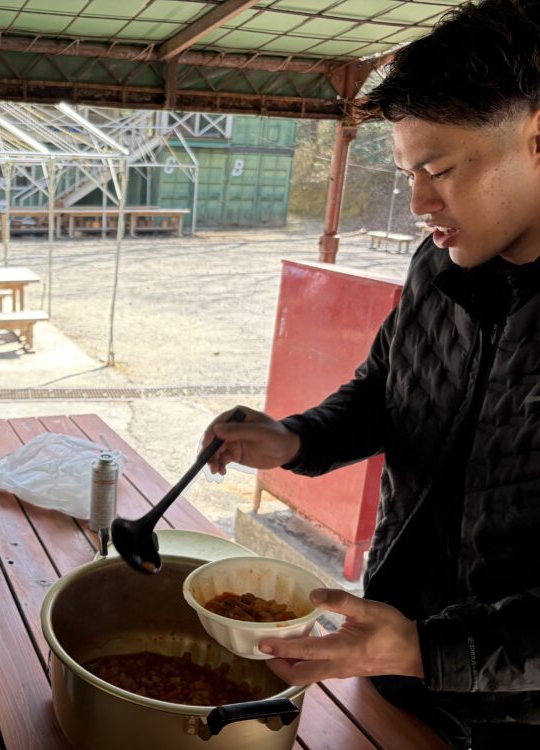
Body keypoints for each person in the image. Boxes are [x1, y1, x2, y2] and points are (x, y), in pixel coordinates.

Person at [202, 1, 540, 746]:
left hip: (513, 710)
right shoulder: (439, 265)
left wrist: (426, 649)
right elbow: (388, 393)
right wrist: (294, 440)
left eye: (440, 170)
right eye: (408, 172)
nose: (419, 203)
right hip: (395, 660)